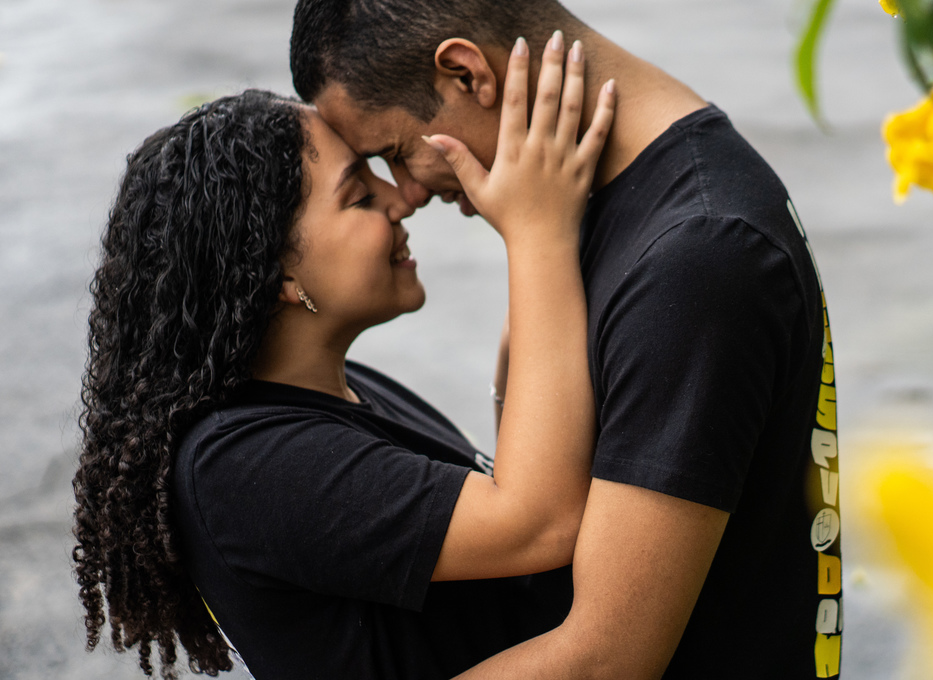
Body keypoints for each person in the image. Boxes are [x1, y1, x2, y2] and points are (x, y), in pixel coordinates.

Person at [290, 0, 844, 680]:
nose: (405, 194)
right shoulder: (593, 212)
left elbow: (604, 659)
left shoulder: (698, 254)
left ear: (466, 74)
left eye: (398, 152)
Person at [71, 37, 615, 679]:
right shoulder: (244, 468)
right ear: (277, 273)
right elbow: (537, 524)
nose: (402, 199)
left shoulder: (343, 384)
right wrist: (539, 234)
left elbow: (503, 512)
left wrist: (524, 351)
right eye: (358, 194)